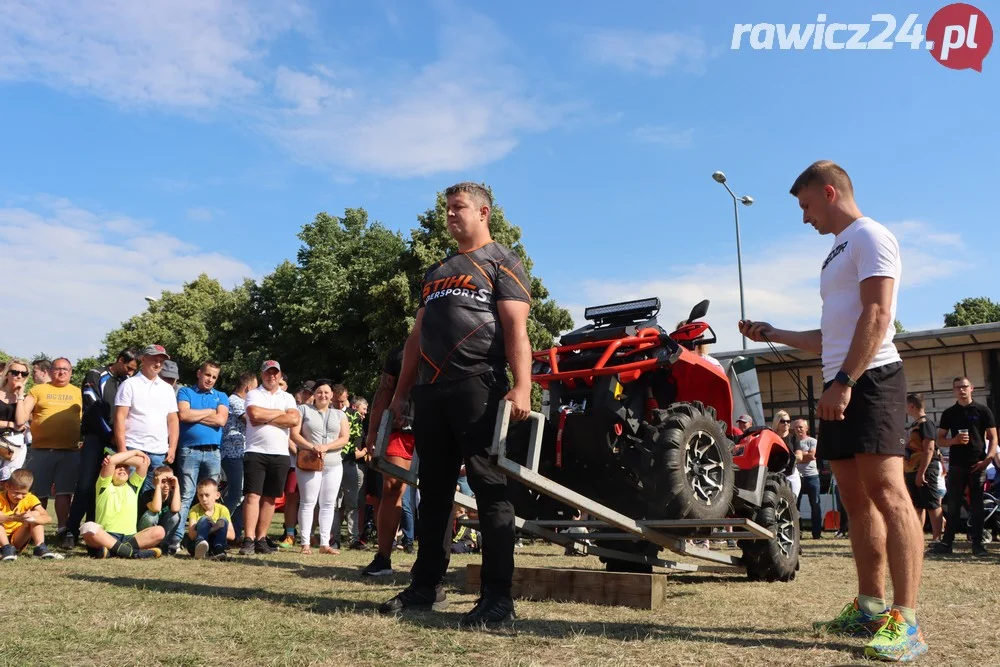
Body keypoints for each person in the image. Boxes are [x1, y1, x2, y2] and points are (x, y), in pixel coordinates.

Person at [739, 160, 925, 662]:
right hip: (837, 382)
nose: (804, 218)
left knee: (889, 492)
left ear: (828, 192)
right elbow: (828, 337)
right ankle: (869, 607)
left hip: (871, 379)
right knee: (855, 500)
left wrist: (845, 381)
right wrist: (772, 333)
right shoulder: (834, 255)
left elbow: (878, 314)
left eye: (805, 206)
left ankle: (906, 622)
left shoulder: (870, 236)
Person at [380, 182, 532, 629]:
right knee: (434, 494)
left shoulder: (503, 261)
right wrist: (403, 392)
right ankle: (426, 585)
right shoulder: (435, 271)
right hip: (431, 391)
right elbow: (416, 338)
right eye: (446, 208)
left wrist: (522, 385)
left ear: (483, 213)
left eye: (458, 207)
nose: (449, 215)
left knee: (489, 491)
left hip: (479, 386)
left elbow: (515, 329)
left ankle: (497, 599)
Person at [67, 349, 139, 548]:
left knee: (106, 486)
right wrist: (110, 434)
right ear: (119, 359)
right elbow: (92, 407)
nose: (130, 373)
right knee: (85, 485)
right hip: (97, 437)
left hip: (117, 440)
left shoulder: (127, 382)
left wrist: (119, 436)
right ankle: (71, 531)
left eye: (134, 370)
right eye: (128, 367)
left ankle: (95, 532)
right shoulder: (96, 374)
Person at [14, 356, 83, 545]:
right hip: (41, 450)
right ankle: (33, 531)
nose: (61, 372)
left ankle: (62, 530)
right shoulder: (38, 390)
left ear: (71, 372)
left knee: (64, 493)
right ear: (51, 371)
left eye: (66, 369)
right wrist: (20, 396)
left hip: (69, 451)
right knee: (38, 494)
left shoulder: (78, 392)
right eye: (58, 369)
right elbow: (21, 418)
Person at [362, 346, 417, 576]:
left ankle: (433, 561)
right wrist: (373, 431)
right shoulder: (400, 353)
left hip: (436, 427)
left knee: (439, 493)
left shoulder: (451, 342)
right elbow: (384, 391)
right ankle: (383, 557)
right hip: (401, 429)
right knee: (392, 487)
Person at [930, 377, 998, 557]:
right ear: (953, 391)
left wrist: (988, 459)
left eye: (964, 387)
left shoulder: (983, 411)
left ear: (972, 388)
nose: (961, 390)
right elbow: (940, 439)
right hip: (957, 464)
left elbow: (993, 437)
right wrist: (953, 441)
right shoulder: (949, 413)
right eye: (958, 388)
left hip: (978, 462)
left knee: (977, 505)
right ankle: (947, 543)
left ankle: (977, 544)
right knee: (953, 503)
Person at [240, 360, 298, 555]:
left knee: (270, 498)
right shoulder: (254, 394)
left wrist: (267, 416)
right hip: (256, 451)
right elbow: (253, 414)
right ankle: (248, 539)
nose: (271, 376)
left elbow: (293, 419)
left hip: (280, 453)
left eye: (275, 373)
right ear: (262, 374)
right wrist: (279, 415)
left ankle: (261, 538)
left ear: (280, 375)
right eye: (268, 372)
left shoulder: (288, 397)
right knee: (252, 496)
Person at [171, 361, 229, 554]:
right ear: (199, 373)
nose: (210, 379)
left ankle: (212, 539)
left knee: (212, 497)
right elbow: (184, 415)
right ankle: (177, 539)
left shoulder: (222, 396)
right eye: (207, 375)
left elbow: (221, 420)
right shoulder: (185, 392)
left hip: (213, 452)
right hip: (190, 451)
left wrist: (195, 415)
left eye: (214, 377)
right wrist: (209, 412)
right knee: (187, 495)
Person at [290, 381, 350, 554]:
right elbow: (294, 434)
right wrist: (312, 446)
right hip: (309, 462)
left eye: (326, 392)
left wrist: (326, 447)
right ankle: (305, 542)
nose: (323, 395)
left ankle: (325, 543)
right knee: (308, 502)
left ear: (332, 395)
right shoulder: (303, 410)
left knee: (328, 503)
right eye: (319, 392)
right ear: (314, 394)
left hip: (333, 463)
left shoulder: (339, 415)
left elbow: (344, 437)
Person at [113, 345, 180, 493]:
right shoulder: (129, 384)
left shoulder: (167, 389)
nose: (158, 364)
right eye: (154, 360)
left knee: (152, 498)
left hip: (159, 452)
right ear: (143, 359)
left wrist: (172, 447)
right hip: (133, 448)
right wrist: (122, 449)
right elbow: (120, 417)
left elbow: (173, 420)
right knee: (128, 493)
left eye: (161, 362)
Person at [79, 449, 164, 559]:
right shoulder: (104, 486)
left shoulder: (133, 486)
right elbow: (112, 461)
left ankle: (114, 551)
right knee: (88, 527)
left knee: (159, 531)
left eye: (126, 467)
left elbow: (142, 462)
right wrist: (134, 452)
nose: (122, 468)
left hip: (130, 538)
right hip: (106, 536)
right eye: (118, 467)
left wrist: (120, 457)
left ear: (129, 473)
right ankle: (133, 553)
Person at [278, 381, 315, 549]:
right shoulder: (295, 410)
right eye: (305, 392)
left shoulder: (321, 412)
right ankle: (290, 534)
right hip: (295, 461)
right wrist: (299, 453)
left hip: (314, 462)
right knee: (292, 497)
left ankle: (309, 535)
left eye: (311, 393)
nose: (308, 395)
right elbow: (290, 436)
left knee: (311, 500)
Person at [903, 394, 944, 545]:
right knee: (918, 504)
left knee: (932, 503)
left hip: (925, 467)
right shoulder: (915, 424)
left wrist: (921, 473)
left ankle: (937, 539)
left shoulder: (926, 423)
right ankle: (917, 537)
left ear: (912, 405)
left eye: (906, 404)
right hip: (912, 467)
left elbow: (929, 449)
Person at [222, 371, 257, 540]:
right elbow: (251, 420)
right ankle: (218, 527)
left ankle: (234, 533)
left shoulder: (240, 401)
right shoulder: (234, 401)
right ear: (248, 387)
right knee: (236, 494)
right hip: (232, 454)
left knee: (241, 495)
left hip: (242, 453)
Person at [0, 469, 64, 560]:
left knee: (36, 514)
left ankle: (40, 547)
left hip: (17, 538)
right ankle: (5, 548)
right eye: (16, 493)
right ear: (7, 486)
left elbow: (48, 518)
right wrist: (15, 518)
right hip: (2, 537)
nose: (19, 497)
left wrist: (31, 518)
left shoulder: (30, 498)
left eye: (23, 494)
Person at [332, 384, 366, 550]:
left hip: (348, 462)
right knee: (333, 503)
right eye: (336, 401)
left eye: (342, 401)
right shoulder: (328, 413)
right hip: (332, 463)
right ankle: (334, 538)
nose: (339, 405)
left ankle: (354, 539)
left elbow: (356, 439)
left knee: (352, 502)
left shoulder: (354, 415)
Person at [186, 478, 234, 560]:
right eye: (201, 495)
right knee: (204, 520)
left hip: (215, 542)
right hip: (198, 542)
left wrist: (216, 529)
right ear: (197, 495)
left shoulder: (223, 509)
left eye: (207, 495)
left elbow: (232, 535)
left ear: (217, 495)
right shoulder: (194, 509)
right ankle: (200, 547)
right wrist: (213, 528)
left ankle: (218, 550)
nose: (204, 499)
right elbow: (192, 535)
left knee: (223, 521)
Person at [0, 359, 31, 483]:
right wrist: (9, 424)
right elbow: (16, 424)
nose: (19, 376)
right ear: (7, 373)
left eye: (23, 374)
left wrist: (20, 396)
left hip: (15, 445)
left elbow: (21, 421)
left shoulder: (25, 397)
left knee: (9, 482)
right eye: (15, 372)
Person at [138, 465, 181, 551]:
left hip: (162, 531)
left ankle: (163, 545)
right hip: (146, 531)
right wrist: (158, 485)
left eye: (169, 481)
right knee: (151, 515)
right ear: (155, 482)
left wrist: (176, 486)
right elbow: (156, 509)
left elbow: (176, 509)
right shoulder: (146, 495)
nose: (166, 485)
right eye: (163, 481)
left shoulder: (173, 494)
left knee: (175, 516)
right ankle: (146, 544)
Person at [793, 419, 822, 540]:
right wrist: (805, 454)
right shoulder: (793, 442)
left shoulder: (812, 441)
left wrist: (799, 457)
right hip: (797, 478)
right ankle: (798, 533)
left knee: (815, 505)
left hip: (812, 477)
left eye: (801, 427)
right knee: (795, 506)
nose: (798, 429)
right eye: (796, 427)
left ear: (806, 428)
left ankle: (816, 534)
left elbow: (812, 456)